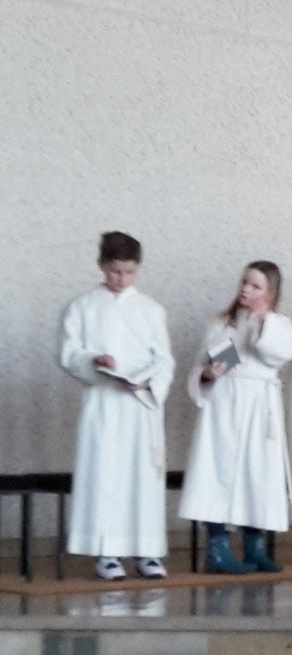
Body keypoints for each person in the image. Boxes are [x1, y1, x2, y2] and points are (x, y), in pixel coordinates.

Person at [58, 231, 174, 580]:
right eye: (113, 272)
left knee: (143, 476)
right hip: (104, 404)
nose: (120, 279)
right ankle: (108, 552)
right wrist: (95, 360)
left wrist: (149, 380)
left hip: (139, 404)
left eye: (128, 272)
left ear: (137, 269)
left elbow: (165, 359)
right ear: (100, 266)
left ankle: (148, 551)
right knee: (107, 474)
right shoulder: (82, 306)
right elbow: (67, 353)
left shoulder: (151, 309)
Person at [177, 262, 292, 573]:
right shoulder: (222, 324)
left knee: (256, 474)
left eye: (256, 286)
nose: (245, 289)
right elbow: (203, 366)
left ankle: (253, 546)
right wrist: (207, 374)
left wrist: (261, 324)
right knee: (217, 471)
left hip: (260, 404)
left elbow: (280, 352)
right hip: (226, 403)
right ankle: (217, 547)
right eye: (244, 282)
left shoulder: (279, 325)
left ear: (270, 295)